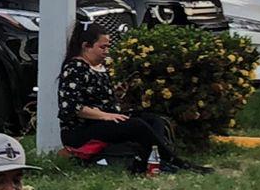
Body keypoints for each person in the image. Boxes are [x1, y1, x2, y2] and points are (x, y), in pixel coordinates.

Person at [57, 22, 189, 170]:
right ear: (86, 46)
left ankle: (153, 158)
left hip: (104, 120)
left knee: (154, 120)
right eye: (102, 47)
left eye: (108, 47)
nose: (106, 51)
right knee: (136, 125)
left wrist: (116, 96)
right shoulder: (75, 68)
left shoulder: (100, 67)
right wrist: (105, 115)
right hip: (82, 128)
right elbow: (71, 107)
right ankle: (173, 160)